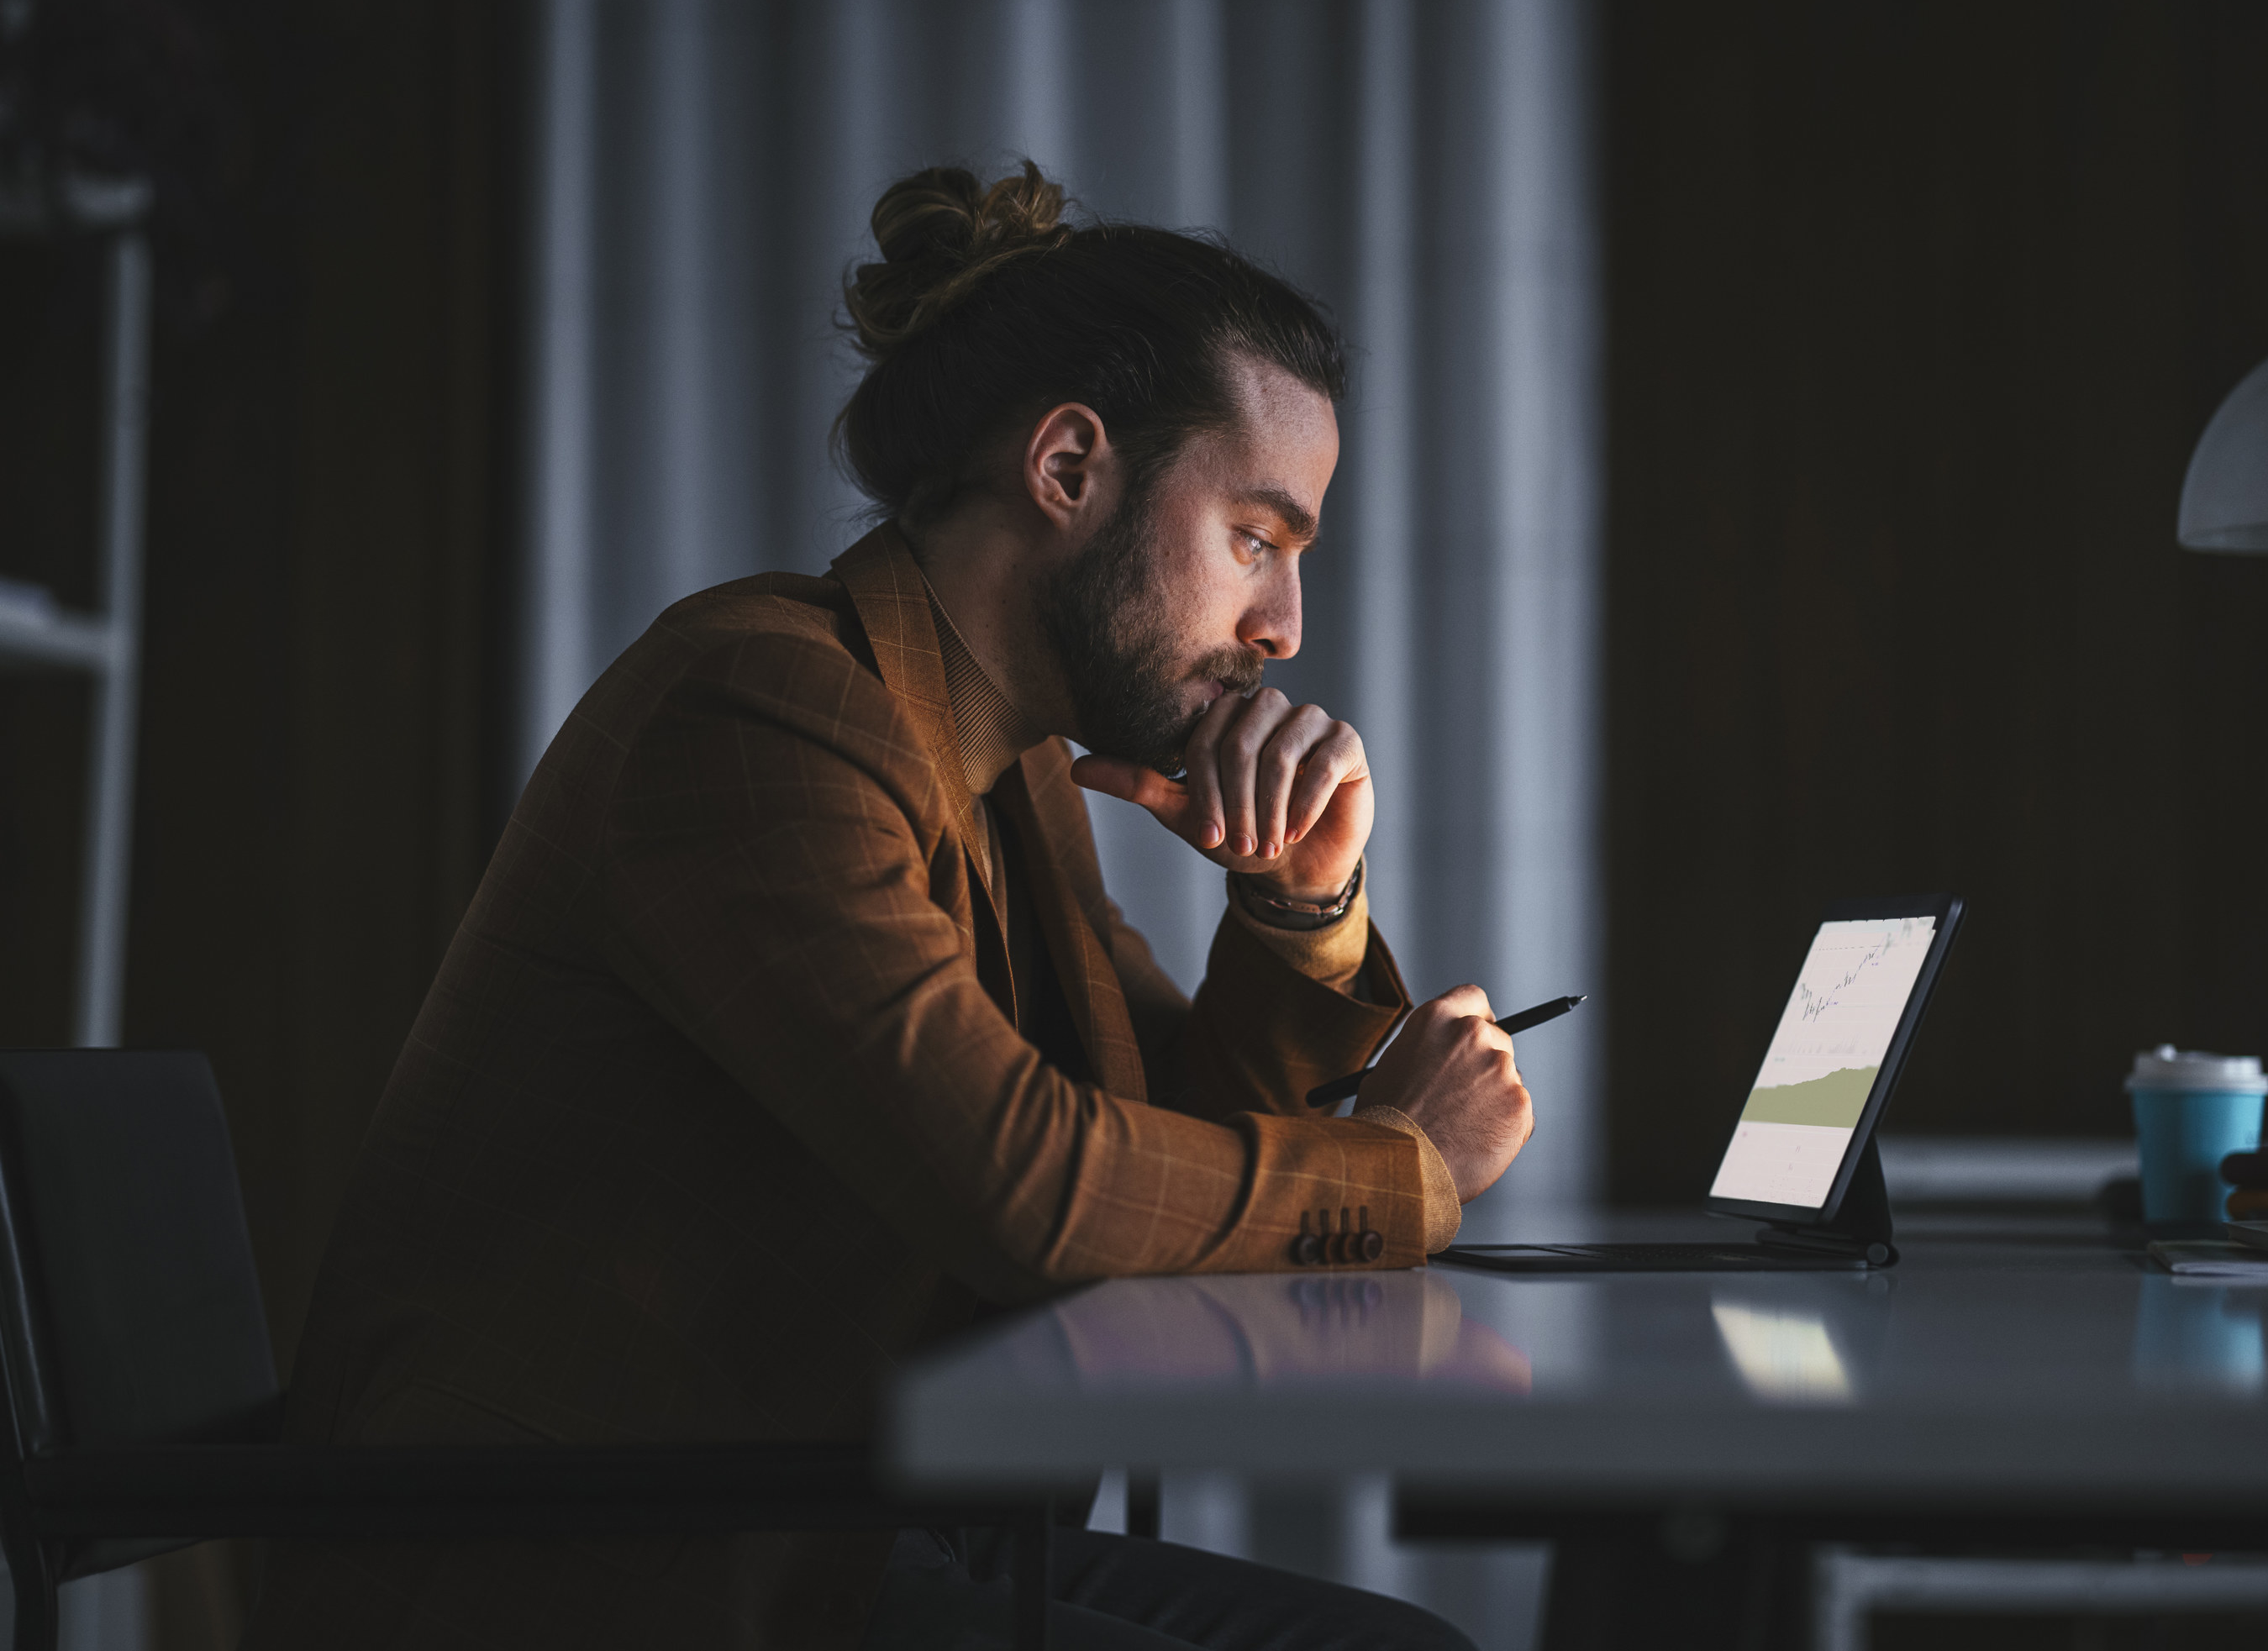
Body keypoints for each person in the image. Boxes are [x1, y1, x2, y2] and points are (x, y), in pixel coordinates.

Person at [243, 162, 1534, 1650]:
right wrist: (1403, 1166)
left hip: (831, 1540)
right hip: (601, 1576)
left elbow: (1151, 1116)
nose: (1286, 628)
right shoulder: (758, 707)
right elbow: (1039, 1191)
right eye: (1256, 537)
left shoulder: (1005, 773)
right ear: (1066, 468)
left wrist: (1298, 910)